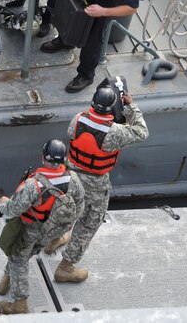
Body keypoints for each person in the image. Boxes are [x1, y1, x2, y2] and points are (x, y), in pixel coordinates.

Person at [54, 85, 149, 283]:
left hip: (70, 177)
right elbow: (142, 133)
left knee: (66, 211)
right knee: (89, 223)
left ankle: (54, 240)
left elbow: (73, 134)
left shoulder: (77, 119)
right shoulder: (115, 133)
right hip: (95, 184)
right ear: (111, 107)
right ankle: (65, 268)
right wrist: (131, 107)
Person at [0, 139, 85, 314]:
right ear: (64, 159)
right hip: (54, 231)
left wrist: (3, 203)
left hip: (31, 230)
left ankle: (19, 304)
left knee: (18, 258)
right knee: (28, 252)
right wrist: (61, 226)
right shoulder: (73, 179)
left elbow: (12, 210)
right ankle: (6, 279)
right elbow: (79, 207)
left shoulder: (33, 185)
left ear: (43, 158)